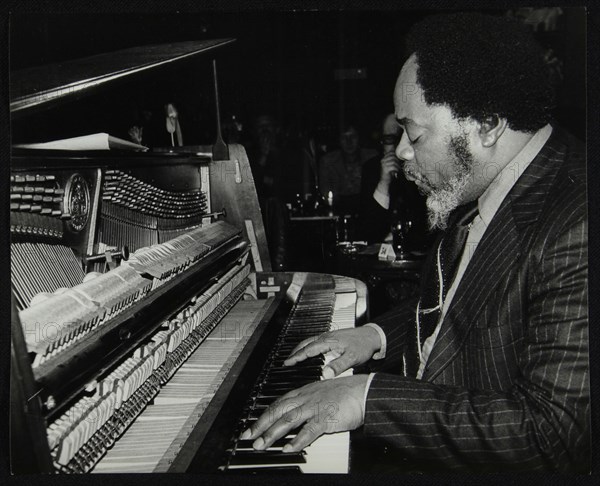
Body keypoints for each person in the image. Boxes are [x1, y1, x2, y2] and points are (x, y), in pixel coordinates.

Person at [240, 12, 589, 472]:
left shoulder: (578, 221)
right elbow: (456, 304)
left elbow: (551, 435)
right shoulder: (487, 182)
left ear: (486, 125)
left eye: (414, 132)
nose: (402, 149)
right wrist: (375, 334)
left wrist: (369, 398)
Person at [358, 113, 430, 249]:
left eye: (402, 137)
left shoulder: (425, 168)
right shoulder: (371, 168)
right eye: (389, 140)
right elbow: (367, 233)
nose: (398, 149)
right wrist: (383, 183)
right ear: (382, 143)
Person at [318, 124, 377, 215]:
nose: (348, 142)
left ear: (359, 138)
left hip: (369, 212)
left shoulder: (372, 158)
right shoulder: (327, 162)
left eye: (352, 136)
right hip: (338, 213)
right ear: (338, 140)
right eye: (344, 137)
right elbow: (327, 196)